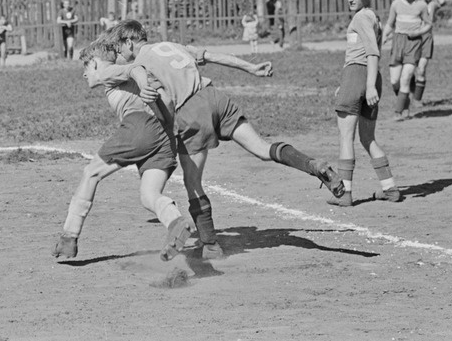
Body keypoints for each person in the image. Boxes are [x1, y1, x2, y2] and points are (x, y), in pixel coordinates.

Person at [103, 20, 345, 259]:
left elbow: (161, 100)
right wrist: (251, 68)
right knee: (262, 147)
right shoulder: (171, 45)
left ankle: (210, 246)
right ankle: (313, 165)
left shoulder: (141, 63)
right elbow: (213, 56)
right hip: (215, 97)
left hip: (191, 112)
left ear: (129, 42)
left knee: (192, 182)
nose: (121, 55)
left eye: (120, 49)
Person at [52, 39, 192, 262]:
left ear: (95, 64)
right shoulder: (120, 76)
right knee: (149, 196)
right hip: (165, 137)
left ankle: (69, 236)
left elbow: (134, 68)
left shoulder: (108, 71)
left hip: (141, 127)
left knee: (91, 173)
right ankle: (176, 222)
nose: (84, 75)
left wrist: (144, 85)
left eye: (85, 67)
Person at [330, 0, 402, 207]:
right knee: (367, 137)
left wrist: (364, 84)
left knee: (345, 137)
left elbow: (372, 52)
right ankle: (389, 188)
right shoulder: (374, 17)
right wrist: (365, 83)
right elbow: (364, 52)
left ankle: (345, 194)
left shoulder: (361, 17)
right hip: (367, 77)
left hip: (360, 76)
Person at [382, 0, 432, 120]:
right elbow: (390, 23)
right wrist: (385, 35)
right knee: (394, 80)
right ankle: (405, 101)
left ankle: (399, 112)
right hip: (398, 43)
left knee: (405, 78)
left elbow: (429, 24)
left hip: (413, 43)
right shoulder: (396, 4)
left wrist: (418, 33)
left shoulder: (421, 5)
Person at [412, 0, 446, 106]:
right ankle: (409, 94)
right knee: (410, 69)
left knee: (421, 69)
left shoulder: (432, 5)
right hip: (413, 38)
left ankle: (417, 100)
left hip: (426, 38)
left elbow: (443, 1)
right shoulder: (412, 4)